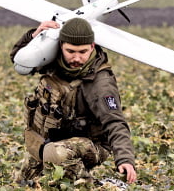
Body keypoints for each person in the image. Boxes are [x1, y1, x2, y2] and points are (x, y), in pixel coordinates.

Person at [10, 18, 137, 186]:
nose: (76, 58)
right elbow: (19, 61)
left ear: (92, 46)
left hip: (92, 144)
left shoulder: (100, 84)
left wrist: (125, 159)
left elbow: (115, 122)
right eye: (70, 51)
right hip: (54, 139)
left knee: (55, 154)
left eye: (83, 52)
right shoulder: (54, 61)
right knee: (23, 183)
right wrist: (33, 35)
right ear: (61, 45)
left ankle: (95, 186)